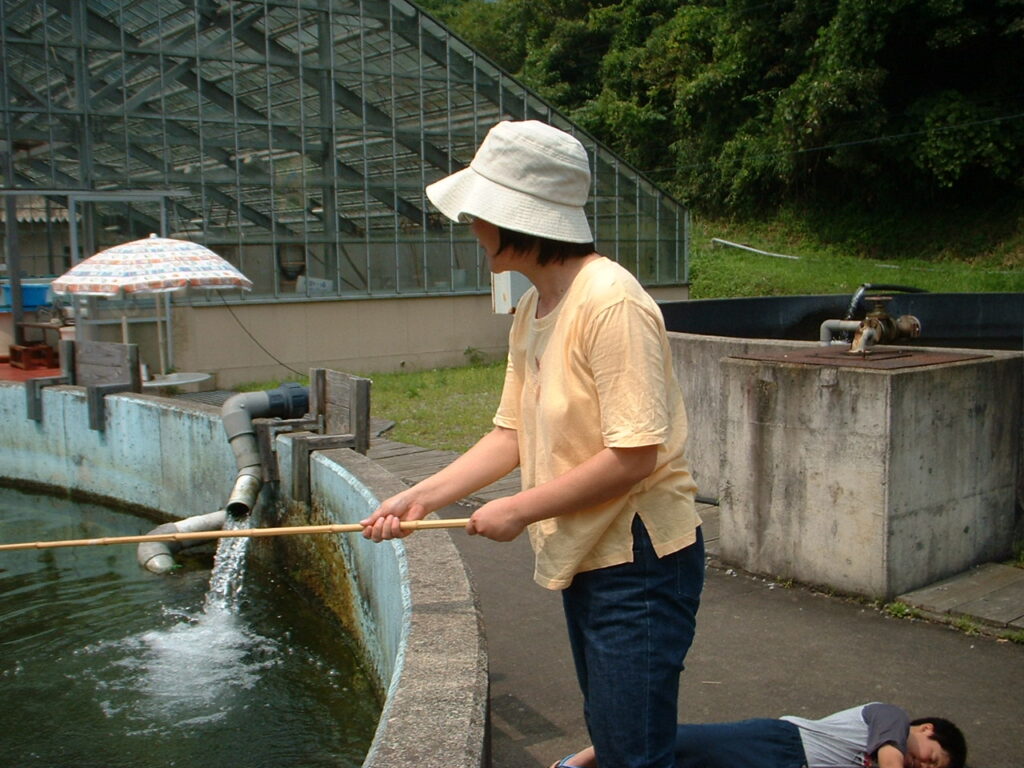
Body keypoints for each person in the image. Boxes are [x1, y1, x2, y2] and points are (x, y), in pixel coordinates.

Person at [360, 119, 704, 768]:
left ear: (521, 216)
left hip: (638, 557)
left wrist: (518, 510)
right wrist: (420, 498)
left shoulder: (611, 302)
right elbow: (511, 433)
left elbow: (635, 456)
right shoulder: (533, 308)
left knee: (634, 750)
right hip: (590, 550)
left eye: (479, 211)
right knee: (613, 730)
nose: (471, 226)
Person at [553, 702, 968, 768]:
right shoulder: (893, 718)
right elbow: (892, 756)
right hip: (782, 744)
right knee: (683, 743)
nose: (920, 765)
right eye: (930, 759)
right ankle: (580, 761)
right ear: (928, 730)